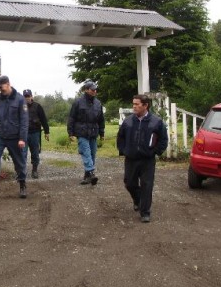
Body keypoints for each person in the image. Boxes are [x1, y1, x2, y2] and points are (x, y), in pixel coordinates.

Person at [116, 94, 168, 223]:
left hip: (147, 160)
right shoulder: (127, 121)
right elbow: (120, 137)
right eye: (133, 104)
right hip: (131, 159)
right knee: (129, 183)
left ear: (145, 105)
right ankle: (137, 199)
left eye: (137, 104)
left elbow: (163, 139)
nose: (134, 107)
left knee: (146, 185)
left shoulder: (156, 122)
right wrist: (123, 150)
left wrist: (155, 152)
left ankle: (145, 212)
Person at [67, 80, 105, 185]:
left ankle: (87, 176)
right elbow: (71, 118)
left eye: (95, 89)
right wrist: (70, 133)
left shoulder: (98, 103)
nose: (94, 91)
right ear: (86, 90)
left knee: (92, 154)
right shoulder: (78, 102)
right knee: (86, 152)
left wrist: (102, 133)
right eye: (92, 89)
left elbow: (101, 119)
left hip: (93, 131)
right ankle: (92, 173)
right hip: (81, 132)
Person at [22, 89, 50, 179]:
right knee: (22, 153)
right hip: (24, 134)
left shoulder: (38, 106)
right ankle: (22, 172)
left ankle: (34, 170)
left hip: (35, 133)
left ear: (31, 96)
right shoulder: (20, 107)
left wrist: (47, 132)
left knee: (35, 153)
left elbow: (44, 120)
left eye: (28, 96)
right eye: (25, 96)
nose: (27, 98)